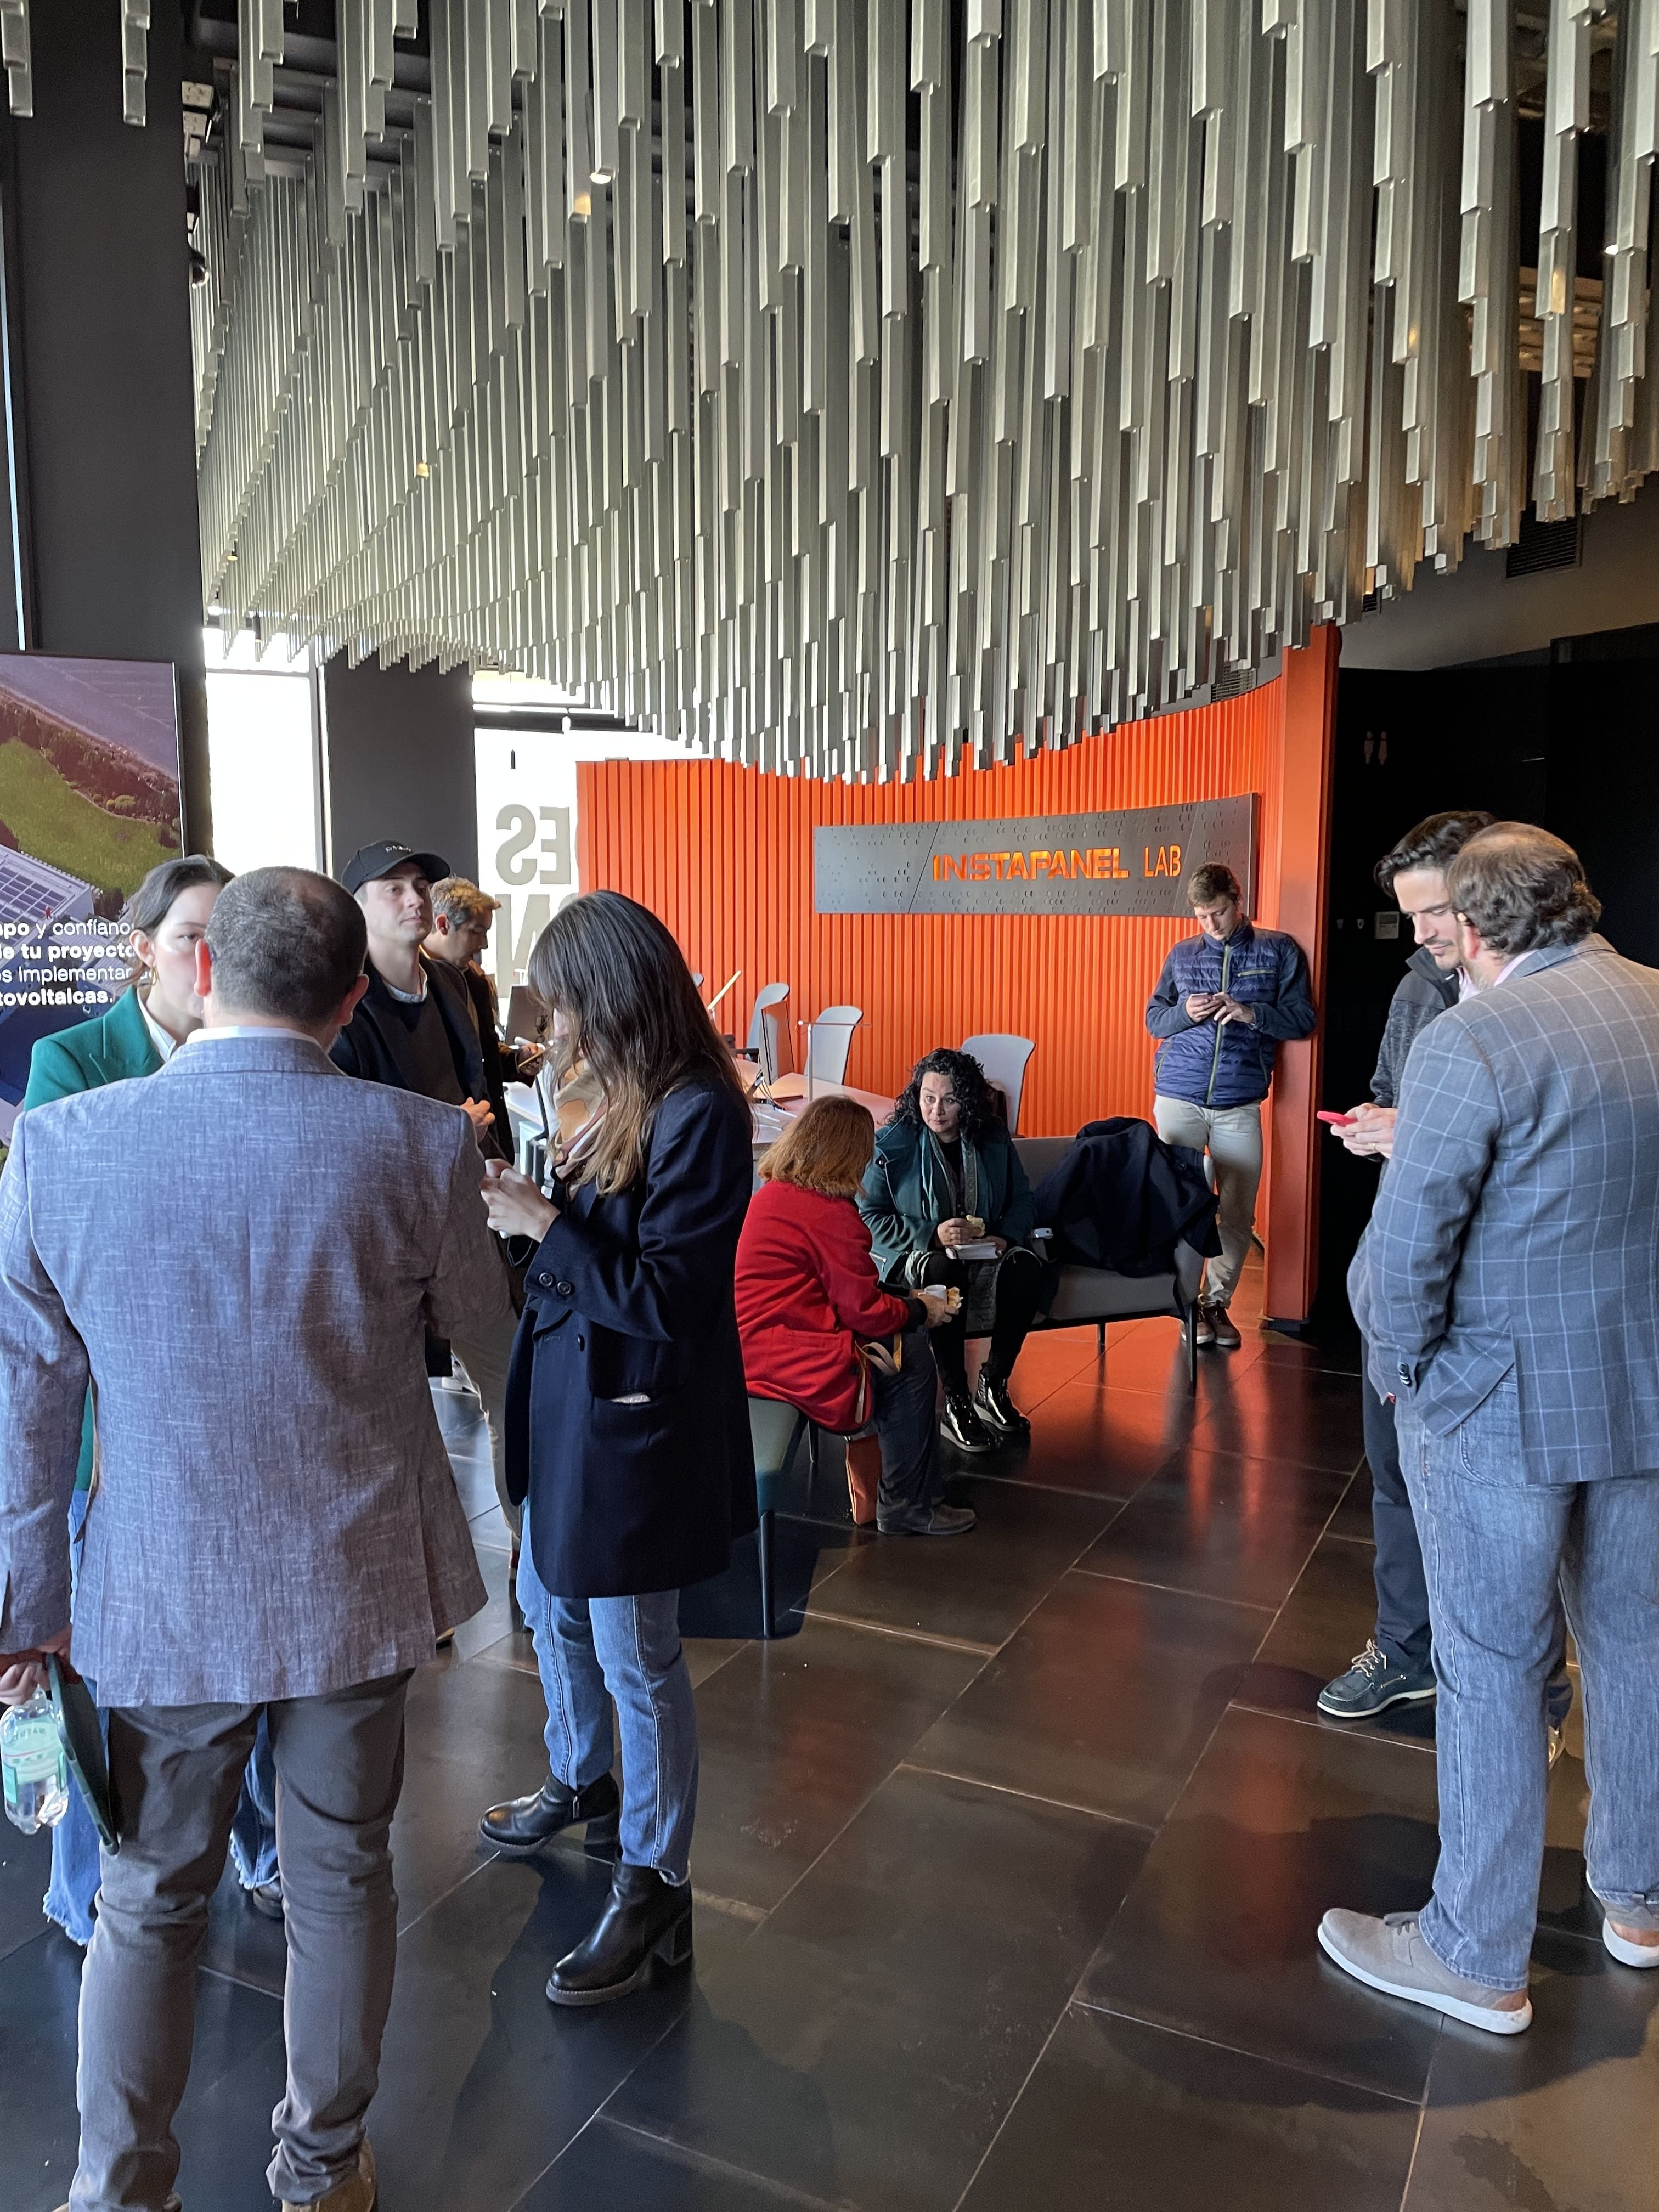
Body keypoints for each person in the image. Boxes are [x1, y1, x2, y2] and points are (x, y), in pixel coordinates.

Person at [0, 865, 510, 2212]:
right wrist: (529, 1505)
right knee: (339, 1881)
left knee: (147, 1897)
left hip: (155, 1591)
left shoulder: (61, 1146)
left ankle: (118, 2190)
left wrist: (23, 1613)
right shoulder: (419, 1145)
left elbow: (28, 1405)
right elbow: (492, 1347)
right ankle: (322, 2169)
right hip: (356, 1585)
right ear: (349, 1002)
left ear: (208, 970)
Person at [1322, 826, 1659, 2036]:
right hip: (1641, 1390)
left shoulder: (1470, 1040)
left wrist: (1397, 1365)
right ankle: (1640, 1903)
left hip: (1492, 1407)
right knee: (1635, 1646)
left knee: (1491, 1668)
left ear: (1469, 929)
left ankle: (1473, 1952)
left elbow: (1406, 1251)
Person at [475, 890, 756, 2006]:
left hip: (636, 1417)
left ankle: (655, 1880)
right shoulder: (616, 1092)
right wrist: (523, 1208)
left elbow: (669, 1300)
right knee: (547, 1604)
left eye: (564, 1001)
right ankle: (579, 1776)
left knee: (635, 1650)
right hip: (568, 1401)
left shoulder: (700, 1112)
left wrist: (541, 1224)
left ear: (614, 990)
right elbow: (591, 1254)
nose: (554, 1024)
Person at [19, 855, 284, 1940]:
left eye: (231, 937)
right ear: (142, 949)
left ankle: (258, 1846)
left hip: (242, 1419)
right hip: (115, 1424)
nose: (212, 961)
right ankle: (85, 1893)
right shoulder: (75, 1063)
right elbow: (56, 1255)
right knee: (113, 1672)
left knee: (250, 1656)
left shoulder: (265, 1052)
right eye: (191, 937)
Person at [1315, 811, 1491, 1721]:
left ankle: (1506, 1680)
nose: (1418, 933)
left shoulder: (1539, 1001)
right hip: (1401, 1271)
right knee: (1392, 1474)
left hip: (1492, 1292)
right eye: (1410, 914)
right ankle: (1404, 1647)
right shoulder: (1419, 987)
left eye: (1432, 912)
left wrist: (1410, 1129)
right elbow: (1392, 1096)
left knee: (1494, 1502)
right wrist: (1378, 1126)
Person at [331, 839, 522, 1551]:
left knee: (511, 1387)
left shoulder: (452, 983)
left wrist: (496, 1162)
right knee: (393, 1414)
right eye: (394, 888)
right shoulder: (339, 1003)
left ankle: (531, 1558)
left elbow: (482, 1087)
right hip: (383, 1236)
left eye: (420, 885)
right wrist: (447, 1131)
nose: (415, 898)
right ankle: (411, 1569)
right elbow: (344, 1128)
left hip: (467, 1220)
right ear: (357, 907)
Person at [737, 1095, 975, 1536]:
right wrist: (920, 1309)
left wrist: (904, 1301)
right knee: (911, 1359)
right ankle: (906, 1504)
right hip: (787, 1358)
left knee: (898, 1347)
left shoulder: (775, 1194)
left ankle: (905, 1494)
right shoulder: (828, 1212)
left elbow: (840, 1291)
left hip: (754, 1348)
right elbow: (866, 1313)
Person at [1144, 862, 1316, 1348]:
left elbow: (1303, 1019)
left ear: (1238, 902)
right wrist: (1185, 1012)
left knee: (1237, 1212)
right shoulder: (1183, 954)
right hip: (1179, 1094)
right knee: (1181, 1204)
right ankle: (1185, 1306)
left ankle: (1215, 1302)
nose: (1211, 925)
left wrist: (1250, 1013)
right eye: (1202, 916)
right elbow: (1155, 1020)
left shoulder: (1278, 950)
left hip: (1239, 1100)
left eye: (1218, 913)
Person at [857, 1047, 1048, 1454]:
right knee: (944, 1273)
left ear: (968, 1101)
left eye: (949, 1099)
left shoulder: (992, 1136)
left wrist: (1005, 1237)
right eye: (928, 1098)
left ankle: (993, 1383)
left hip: (984, 1250)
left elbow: (1022, 1200)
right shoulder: (891, 1145)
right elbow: (868, 1218)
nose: (936, 1111)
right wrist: (931, 1234)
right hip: (917, 1255)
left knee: (1026, 1269)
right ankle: (956, 1399)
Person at [423, 874, 517, 1141]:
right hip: (442, 1138)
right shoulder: (412, 984)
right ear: (443, 924)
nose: (483, 944)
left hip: (487, 1136)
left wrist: (517, 1061)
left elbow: (481, 1055)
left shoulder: (476, 981)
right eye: (476, 932)